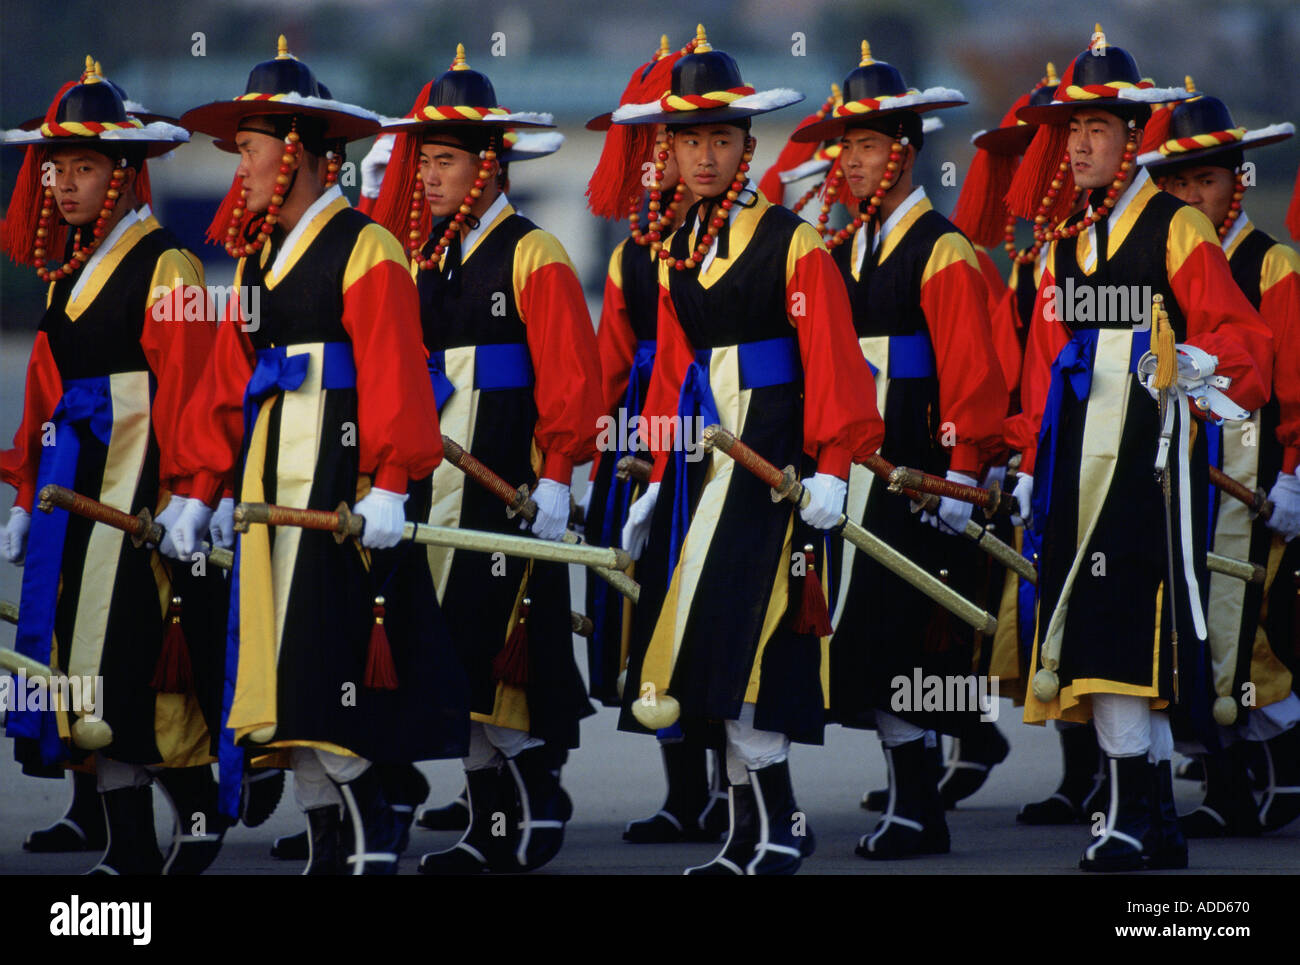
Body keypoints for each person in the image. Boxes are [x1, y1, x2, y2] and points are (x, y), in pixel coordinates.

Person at [172, 35, 469, 875]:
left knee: (327, 668)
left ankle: (374, 827)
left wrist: (392, 481)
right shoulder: (259, 254)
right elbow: (234, 377)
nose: (245, 167)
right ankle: (329, 840)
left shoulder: (366, 245)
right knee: (281, 678)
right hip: (271, 488)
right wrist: (206, 485)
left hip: (339, 487)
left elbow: (393, 374)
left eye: (254, 150)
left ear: (298, 151)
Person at [615, 25, 885, 875]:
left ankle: (778, 830)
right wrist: (658, 477)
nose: (703, 156)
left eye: (720, 140)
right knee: (716, 649)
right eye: (688, 139)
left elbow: (836, 365)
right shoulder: (672, 251)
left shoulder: (793, 243)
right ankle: (750, 832)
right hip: (705, 464)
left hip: (773, 467)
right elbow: (672, 375)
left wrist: (837, 465)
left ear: (746, 146)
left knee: (750, 640)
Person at [1007, 26, 1273, 871]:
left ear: (1133, 138)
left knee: (1129, 630)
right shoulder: (1068, 247)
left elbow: (1241, 337)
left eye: (1101, 127)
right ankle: (1150, 816)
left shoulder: (1175, 227)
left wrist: (1198, 361)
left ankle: (1131, 815)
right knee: (1096, 630)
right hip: (1076, 462)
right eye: (1072, 128)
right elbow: (1047, 369)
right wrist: (1025, 466)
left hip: (1147, 463)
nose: (1080, 143)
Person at [369, 44, 601, 874]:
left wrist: (560, 480)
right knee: (454, 659)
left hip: (508, 492)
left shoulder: (533, 253)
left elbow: (573, 382)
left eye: (444, 161)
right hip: (436, 492)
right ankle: (507, 822)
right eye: (422, 160)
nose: (426, 177)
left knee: (496, 658)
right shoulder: (424, 257)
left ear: (490, 167)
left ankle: (515, 822)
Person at [0, 59, 227, 875]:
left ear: (126, 175)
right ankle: (127, 844)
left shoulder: (168, 265)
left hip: (139, 498)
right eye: (56, 167)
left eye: (85, 167)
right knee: (74, 663)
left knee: (131, 661)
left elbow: (197, 389)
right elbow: (46, 393)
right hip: (75, 493)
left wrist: (194, 494)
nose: (62, 184)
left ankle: (198, 808)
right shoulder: (64, 272)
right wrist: (27, 495)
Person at [789, 40, 1008, 858]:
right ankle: (913, 796)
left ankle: (923, 804)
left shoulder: (942, 249)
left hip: (920, 470)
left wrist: (960, 474)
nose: (849, 162)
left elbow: (971, 374)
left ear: (906, 152)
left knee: (915, 634)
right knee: (873, 637)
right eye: (844, 146)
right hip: (865, 472)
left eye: (869, 145)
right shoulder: (842, 250)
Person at [1142, 84, 1300, 836]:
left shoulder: (1272, 264)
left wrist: (1297, 474)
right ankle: (1226, 777)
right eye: (1175, 183)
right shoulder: (1165, 257)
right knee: (1194, 620)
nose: (1190, 195)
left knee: (1257, 627)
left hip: (1258, 465)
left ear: (1237, 179)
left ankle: (1275, 770)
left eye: (1205, 179)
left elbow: (1295, 382)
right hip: (1188, 467)